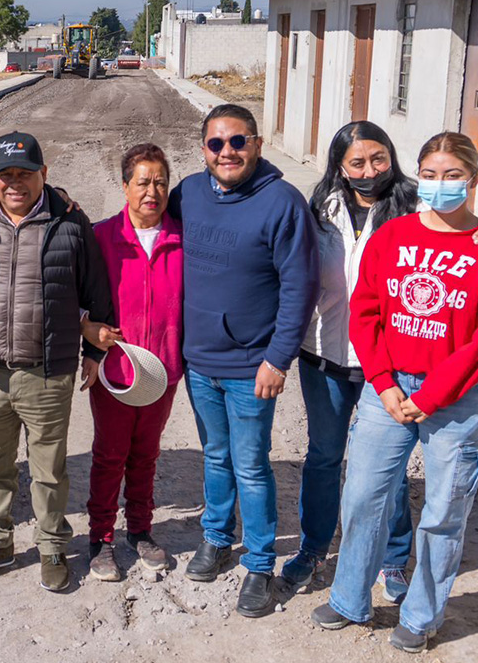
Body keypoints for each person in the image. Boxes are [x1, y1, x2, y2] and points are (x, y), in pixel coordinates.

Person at [284, 121, 478, 599]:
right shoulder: (320, 208)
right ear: (340, 167)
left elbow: (467, 227)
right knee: (325, 458)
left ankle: (392, 560)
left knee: (385, 474)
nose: (369, 170)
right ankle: (313, 548)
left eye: (379, 158)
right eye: (356, 162)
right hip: (326, 352)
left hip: (387, 365)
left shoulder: (417, 204)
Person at [0, 131, 113, 592]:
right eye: (6, 174)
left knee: (49, 469)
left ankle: (52, 546)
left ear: (43, 174)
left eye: (25, 173)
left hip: (46, 373)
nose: (16, 183)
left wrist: (94, 353)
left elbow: (97, 292)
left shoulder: (70, 223)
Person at [168, 103, 319, 618]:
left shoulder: (282, 202)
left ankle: (258, 563)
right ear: (203, 149)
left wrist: (278, 359)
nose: (227, 152)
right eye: (216, 143)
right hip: (199, 360)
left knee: (251, 465)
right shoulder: (189, 193)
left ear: (257, 143)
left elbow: (300, 287)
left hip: (252, 366)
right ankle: (216, 537)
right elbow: (144, 219)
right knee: (215, 455)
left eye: (237, 141)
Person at [80, 143, 184, 582]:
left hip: (162, 371)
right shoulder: (102, 237)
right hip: (117, 373)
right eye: (142, 182)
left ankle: (140, 530)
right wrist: (87, 329)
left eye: (160, 182)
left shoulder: (182, 239)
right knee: (110, 455)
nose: (152, 192)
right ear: (124, 187)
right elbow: (75, 295)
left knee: (145, 455)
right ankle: (101, 537)